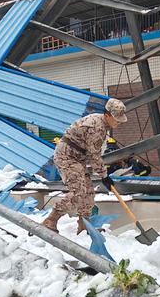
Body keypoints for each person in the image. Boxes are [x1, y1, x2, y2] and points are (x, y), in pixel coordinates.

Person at [42, 99, 128, 234]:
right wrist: (104, 176)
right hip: (67, 157)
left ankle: (84, 225)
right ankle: (51, 220)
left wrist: (103, 175)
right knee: (78, 192)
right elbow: (95, 156)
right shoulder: (97, 128)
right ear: (107, 115)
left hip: (77, 158)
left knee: (88, 192)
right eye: (116, 119)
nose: (119, 122)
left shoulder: (101, 123)